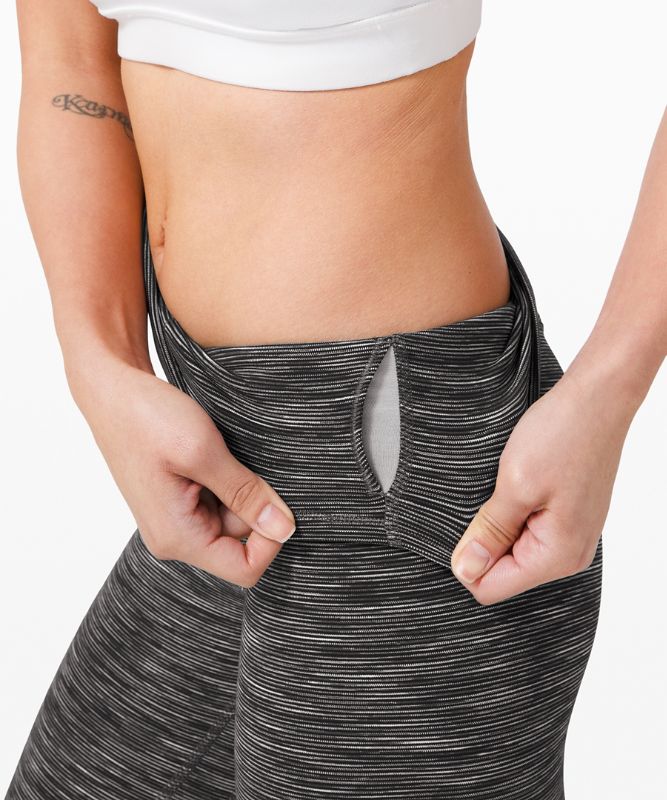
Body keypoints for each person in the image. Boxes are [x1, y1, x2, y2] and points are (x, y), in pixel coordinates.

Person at [7, 1, 665, 798]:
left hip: (403, 487)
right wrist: (99, 365)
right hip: (211, 462)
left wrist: (609, 386)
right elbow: (71, 66)